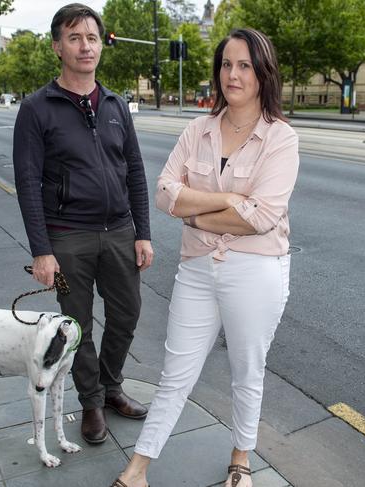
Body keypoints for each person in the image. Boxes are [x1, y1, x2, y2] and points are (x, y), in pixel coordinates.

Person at [112, 28, 299, 487]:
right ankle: (137, 469)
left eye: (244, 65)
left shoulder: (281, 138)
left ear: (263, 73)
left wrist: (194, 215)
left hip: (255, 271)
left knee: (246, 370)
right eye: (226, 64)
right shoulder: (198, 130)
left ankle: (241, 458)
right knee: (175, 374)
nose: (232, 74)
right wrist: (231, 200)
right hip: (196, 270)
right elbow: (163, 193)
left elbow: (262, 218)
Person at [13, 3, 154, 445]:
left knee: (127, 313)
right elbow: (28, 183)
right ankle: (91, 402)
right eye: (74, 38)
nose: (85, 46)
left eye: (92, 37)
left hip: (119, 231)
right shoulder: (37, 108)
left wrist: (143, 232)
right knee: (77, 325)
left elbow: (134, 170)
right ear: (58, 46)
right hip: (67, 236)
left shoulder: (115, 104)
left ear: (101, 45)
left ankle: (111, 387)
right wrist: (42, 250)